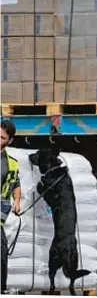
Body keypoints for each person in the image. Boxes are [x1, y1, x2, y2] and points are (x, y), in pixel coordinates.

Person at [1, 119, 21, 294]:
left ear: (9, 141)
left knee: (2, 253)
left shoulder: (11, 163)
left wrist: (17, 201)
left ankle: (1, 289)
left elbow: (16, 183)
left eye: (1, 138)